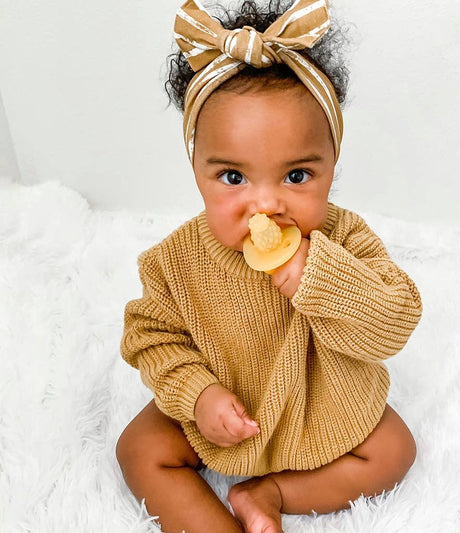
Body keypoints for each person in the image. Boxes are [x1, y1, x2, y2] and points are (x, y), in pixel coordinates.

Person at [116, 0, 423, 532]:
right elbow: (151, 340)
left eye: (296, 176)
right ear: (197, 171)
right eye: (233, 178)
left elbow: (396, 321)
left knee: (395, 449)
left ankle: (270, 493)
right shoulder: (175, 262)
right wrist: (198, 394)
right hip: (223, 411)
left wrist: (324, 279)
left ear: (331, 166)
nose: (266, 205)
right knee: (139, 449)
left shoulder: (344, 238)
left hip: (322, 405)